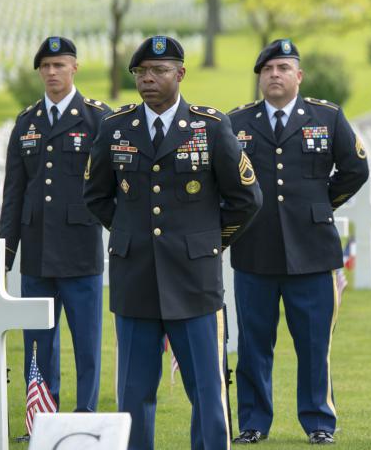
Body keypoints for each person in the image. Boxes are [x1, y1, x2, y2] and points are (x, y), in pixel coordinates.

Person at [83, 35, 262, 450]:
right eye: (141, 72)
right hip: (136, 280)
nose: (148, 79)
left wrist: (209, 243)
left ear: (180, 74)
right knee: (134, 393)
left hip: (194, 281)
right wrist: (130, 234)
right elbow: (95, 195)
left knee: (206, 392)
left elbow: (247, 199)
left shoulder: (211, 126)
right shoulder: (115, 127)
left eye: (159, 71)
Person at [228, 39, 370, 445]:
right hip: (255, 251)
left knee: (313, 345)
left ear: (298, 76)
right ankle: (254, 422)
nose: (275, 74)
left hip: (313, 251)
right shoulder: (236, 123)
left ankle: (319, 421)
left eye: (283, 68)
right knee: (254, 346)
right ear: (259, 77)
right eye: (267, 69)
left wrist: (322, 204)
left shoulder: (326, 117)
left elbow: (356, 168)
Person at [0, 36, 110, 415]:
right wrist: (5, 255)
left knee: (86, 343)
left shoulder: (98, 119)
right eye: (45, 66)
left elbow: (114, 187)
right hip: (37, 253)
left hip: (81, 252)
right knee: (37, 344)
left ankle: (86, 417)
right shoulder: (26, 122)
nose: (51, 72)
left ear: (74, 67)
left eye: (58, 64)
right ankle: (41, 417)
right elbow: (14, 192)